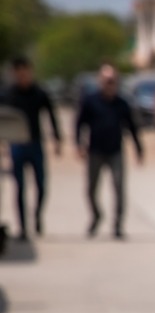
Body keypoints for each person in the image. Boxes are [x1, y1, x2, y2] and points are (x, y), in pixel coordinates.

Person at [75, 65, 143, 239]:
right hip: (95, 151)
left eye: (113, 81)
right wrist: (78, 144)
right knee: (91, 189)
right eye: (107, 81)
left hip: (115, 152)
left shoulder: (122, 103)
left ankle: (118, 225)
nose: (110, 84)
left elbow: (132, 127)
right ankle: (97, 215)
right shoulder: (90, 101)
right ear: (100, 81)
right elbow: (79, 123)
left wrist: (138, 148)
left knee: (119, 188)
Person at [4, 57, 63, 240]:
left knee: (41, 186)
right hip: (16, 146)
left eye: (26, 72)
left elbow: (51, 115)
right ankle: (22, 227)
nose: (23, 76)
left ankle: (37, 215)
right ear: (15, 73)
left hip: (35, 144)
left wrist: (57, 138)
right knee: (19, 187)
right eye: (19, 72)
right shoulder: (8, 95)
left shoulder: (39, 93)